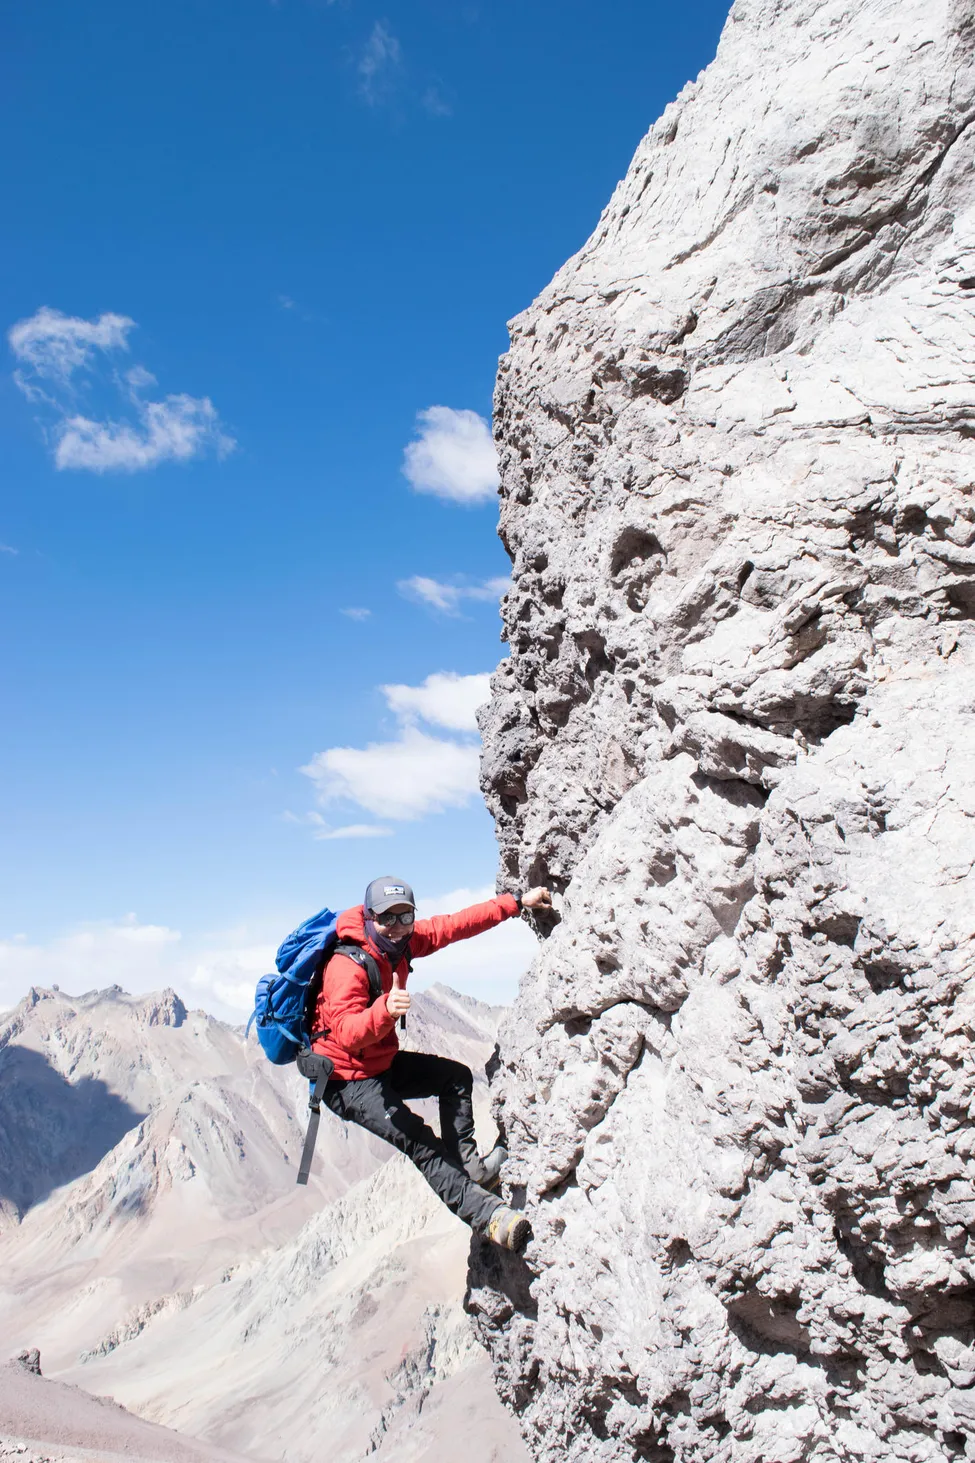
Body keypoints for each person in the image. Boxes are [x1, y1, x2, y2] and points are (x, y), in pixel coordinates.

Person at [311, 876, 552, 1251]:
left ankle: (472, 1169)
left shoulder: (403, 943)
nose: (396, 928)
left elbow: (455, 925)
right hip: (346, 1080)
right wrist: (384, 1011)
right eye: (387, 919)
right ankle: (491, 1218)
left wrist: (517, 902)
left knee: (454, 1078)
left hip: (379, 1061)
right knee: (421, 1143)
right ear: (369, 917)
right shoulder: (347, 966)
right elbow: (345, 1032)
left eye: (405, 917)